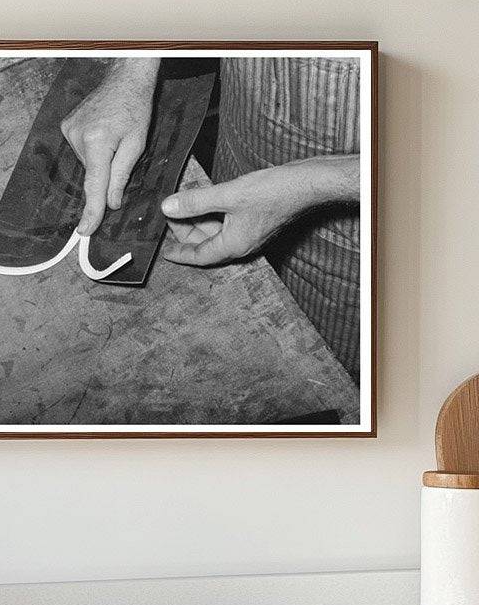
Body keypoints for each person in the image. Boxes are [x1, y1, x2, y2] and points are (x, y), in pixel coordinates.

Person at [60, 56, 362, 380]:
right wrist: (133, 68)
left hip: (355, 227)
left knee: (317, 363)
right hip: (247, 133)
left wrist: (313, 182)